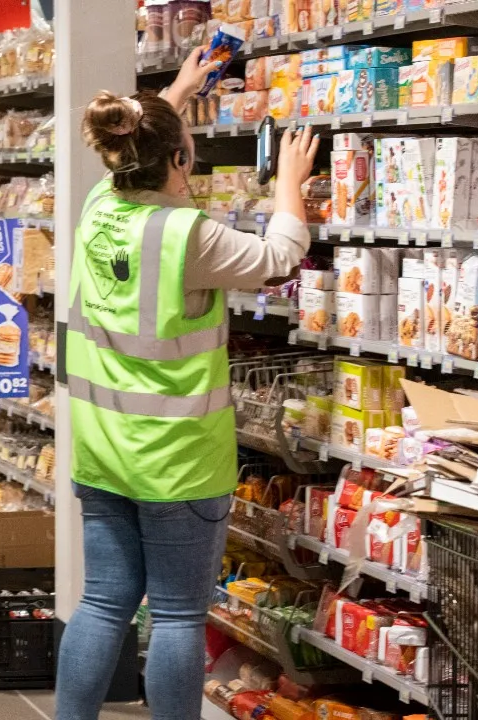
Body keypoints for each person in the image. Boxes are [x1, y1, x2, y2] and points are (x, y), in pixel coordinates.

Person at [57, 47, 320, 720]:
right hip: (177, 460)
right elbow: (280, 257)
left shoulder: (98, 210)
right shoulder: (188, 236)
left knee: (104, 601)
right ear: (176, 159)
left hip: (102, 450)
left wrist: (177, 89)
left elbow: (135, 148)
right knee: (176, 616)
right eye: (190, 150)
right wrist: (290, 176)